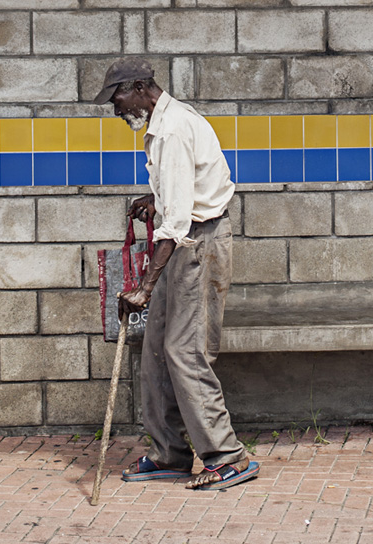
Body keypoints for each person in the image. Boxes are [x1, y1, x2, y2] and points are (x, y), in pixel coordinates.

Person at [94, 56, 259, 492]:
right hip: (181, 244)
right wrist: (156, 197)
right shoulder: (163, 124)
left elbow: (180, 223)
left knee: (186, 351)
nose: (116, 108)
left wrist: (146, 287)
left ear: (141, 87)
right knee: (155, 353)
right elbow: (180, 189)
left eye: (118, 97)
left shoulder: (171, 129)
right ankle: (170, 454)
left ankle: (227, 456)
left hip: (195, 245)